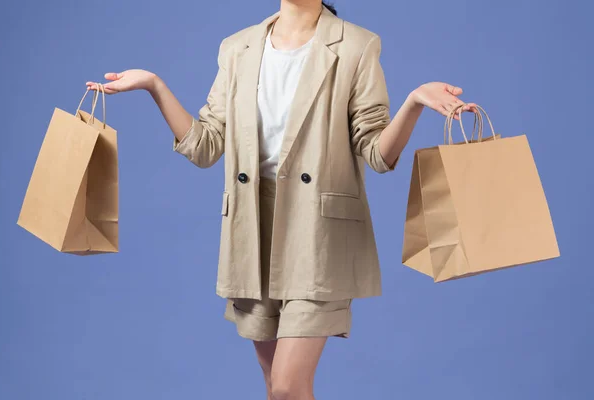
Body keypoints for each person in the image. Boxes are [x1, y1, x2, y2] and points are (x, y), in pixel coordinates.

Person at [87, 1, 476, 399]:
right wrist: (155, 84)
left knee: (290, 387)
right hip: (252, 229)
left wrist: (412, 103)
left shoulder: (357, 46)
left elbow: (376, 153)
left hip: (319, 233)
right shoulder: (237, 47)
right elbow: (205, 146)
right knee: (276, 389)